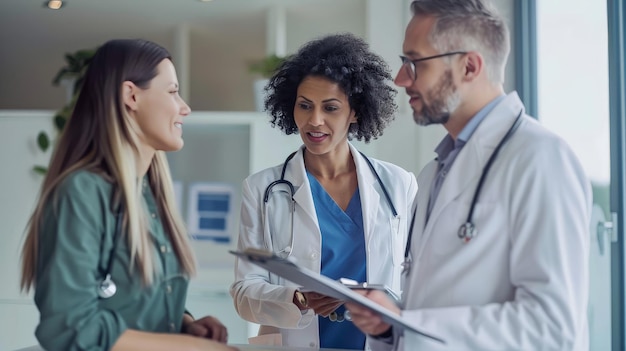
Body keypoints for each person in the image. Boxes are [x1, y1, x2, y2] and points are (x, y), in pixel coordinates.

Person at [345, 1, 592, 350]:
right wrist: (391, 326)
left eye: (414, 63)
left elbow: (552, 328)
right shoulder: (434, 172)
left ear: (469, 66)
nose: (401, 80)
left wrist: (410, 323)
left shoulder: (541, 159)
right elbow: (435, 304)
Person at [20, 39, 237, 351]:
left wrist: (184, 323)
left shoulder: (151, 193)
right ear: (131, 95)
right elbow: (70, 328)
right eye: (173, 91)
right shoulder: (82, 191)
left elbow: (128, 302)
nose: (184, 108)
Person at [229, 33, 418, 350]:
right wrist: (297, 298)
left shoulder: (399, 185)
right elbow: (244, 293)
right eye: (305, 106)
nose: (314, 121)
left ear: (354, 111)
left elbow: (419, 283)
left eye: (330, 108)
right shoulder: (262, 189)